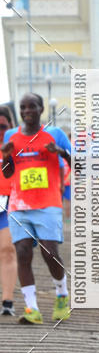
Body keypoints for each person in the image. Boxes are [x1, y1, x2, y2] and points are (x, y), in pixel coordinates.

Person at [1, 93, 72, 325]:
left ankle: (62, 294)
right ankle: (32, 308)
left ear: (41, 109)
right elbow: (8, 173)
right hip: (19, 204)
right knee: (22, 251)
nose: (27, 110)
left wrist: (60, 153)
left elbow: (79, 164)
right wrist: (6, 156)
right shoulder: (12, 136)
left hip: (48, 204)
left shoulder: (56, 135)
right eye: (23, 107)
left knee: (49, 252)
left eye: (32, 106)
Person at [0, 106, 17, 316]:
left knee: (7, 250)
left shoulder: (17, 147)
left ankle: (7, 300)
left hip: (8, 205)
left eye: (3, 126)